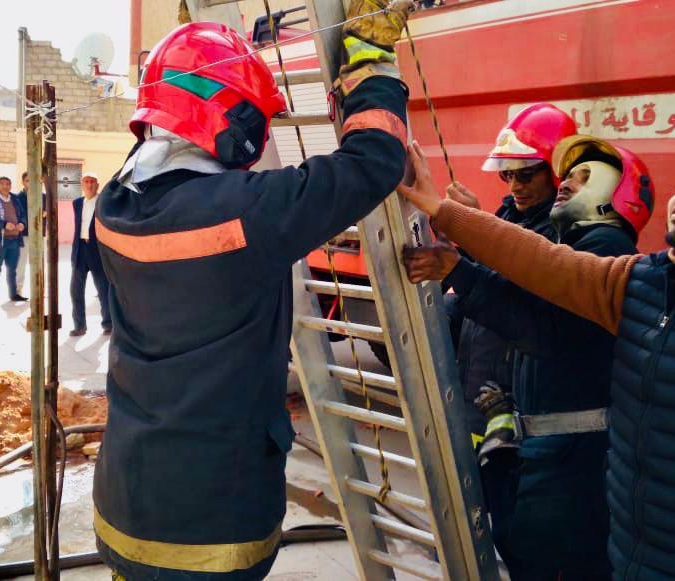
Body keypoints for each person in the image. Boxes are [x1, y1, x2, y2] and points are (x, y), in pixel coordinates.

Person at [92, 2, 412, 578]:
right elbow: (373, 161)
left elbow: (155, 152)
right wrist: (371, 62)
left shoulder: (112, 209)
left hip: (123, 504)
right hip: (212, 528)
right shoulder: (248, 215)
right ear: (232, 121)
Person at [398, 138, 674, 580]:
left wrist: (459, 267)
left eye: (583, 177)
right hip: (554, 450)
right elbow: (527, 261)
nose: (566, 184)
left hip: (570, 462)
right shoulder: (590, 248)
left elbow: (543, 328)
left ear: (617, 195)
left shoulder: (605, 248)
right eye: (567, 174)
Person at [440, 104, 576, 440]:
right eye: (507, 173)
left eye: (526, 174)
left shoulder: (560, 235)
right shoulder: (509, 215)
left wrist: (475, 232)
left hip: (510, 408)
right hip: (478, 397)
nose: (515, 185)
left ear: (557, 172)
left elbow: (508, 295)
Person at [70, 172, 110, 336]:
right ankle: (80, 325)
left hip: (97, 250)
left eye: (92, 181)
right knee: (76, 290)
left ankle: (108, 324)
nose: (89, 184)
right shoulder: (77, 203)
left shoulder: (104, 202)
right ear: (82, 184)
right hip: (80, 249)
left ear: (97, 185)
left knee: (103, 289)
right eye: (86, 181)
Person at [0, 176, 28, 305]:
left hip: (14, 239)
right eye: (2, 184)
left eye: (8, 184)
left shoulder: (14, 199)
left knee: (12, 269)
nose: (5, 186)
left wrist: (21, 224)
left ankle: (13, 294)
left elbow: (22, 215)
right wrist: (3, 224)